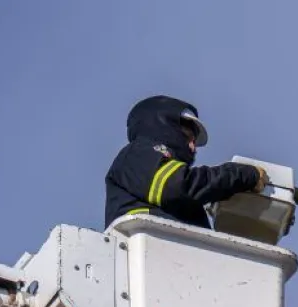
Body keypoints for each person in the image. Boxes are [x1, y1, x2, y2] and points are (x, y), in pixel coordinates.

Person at [104, 95, 269, 229]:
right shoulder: (137, 154)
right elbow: (179, 187)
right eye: (188, 136)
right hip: (156, 252)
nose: (193, 147)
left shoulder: (183, 203)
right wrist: (242, 175)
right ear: (162, 124)